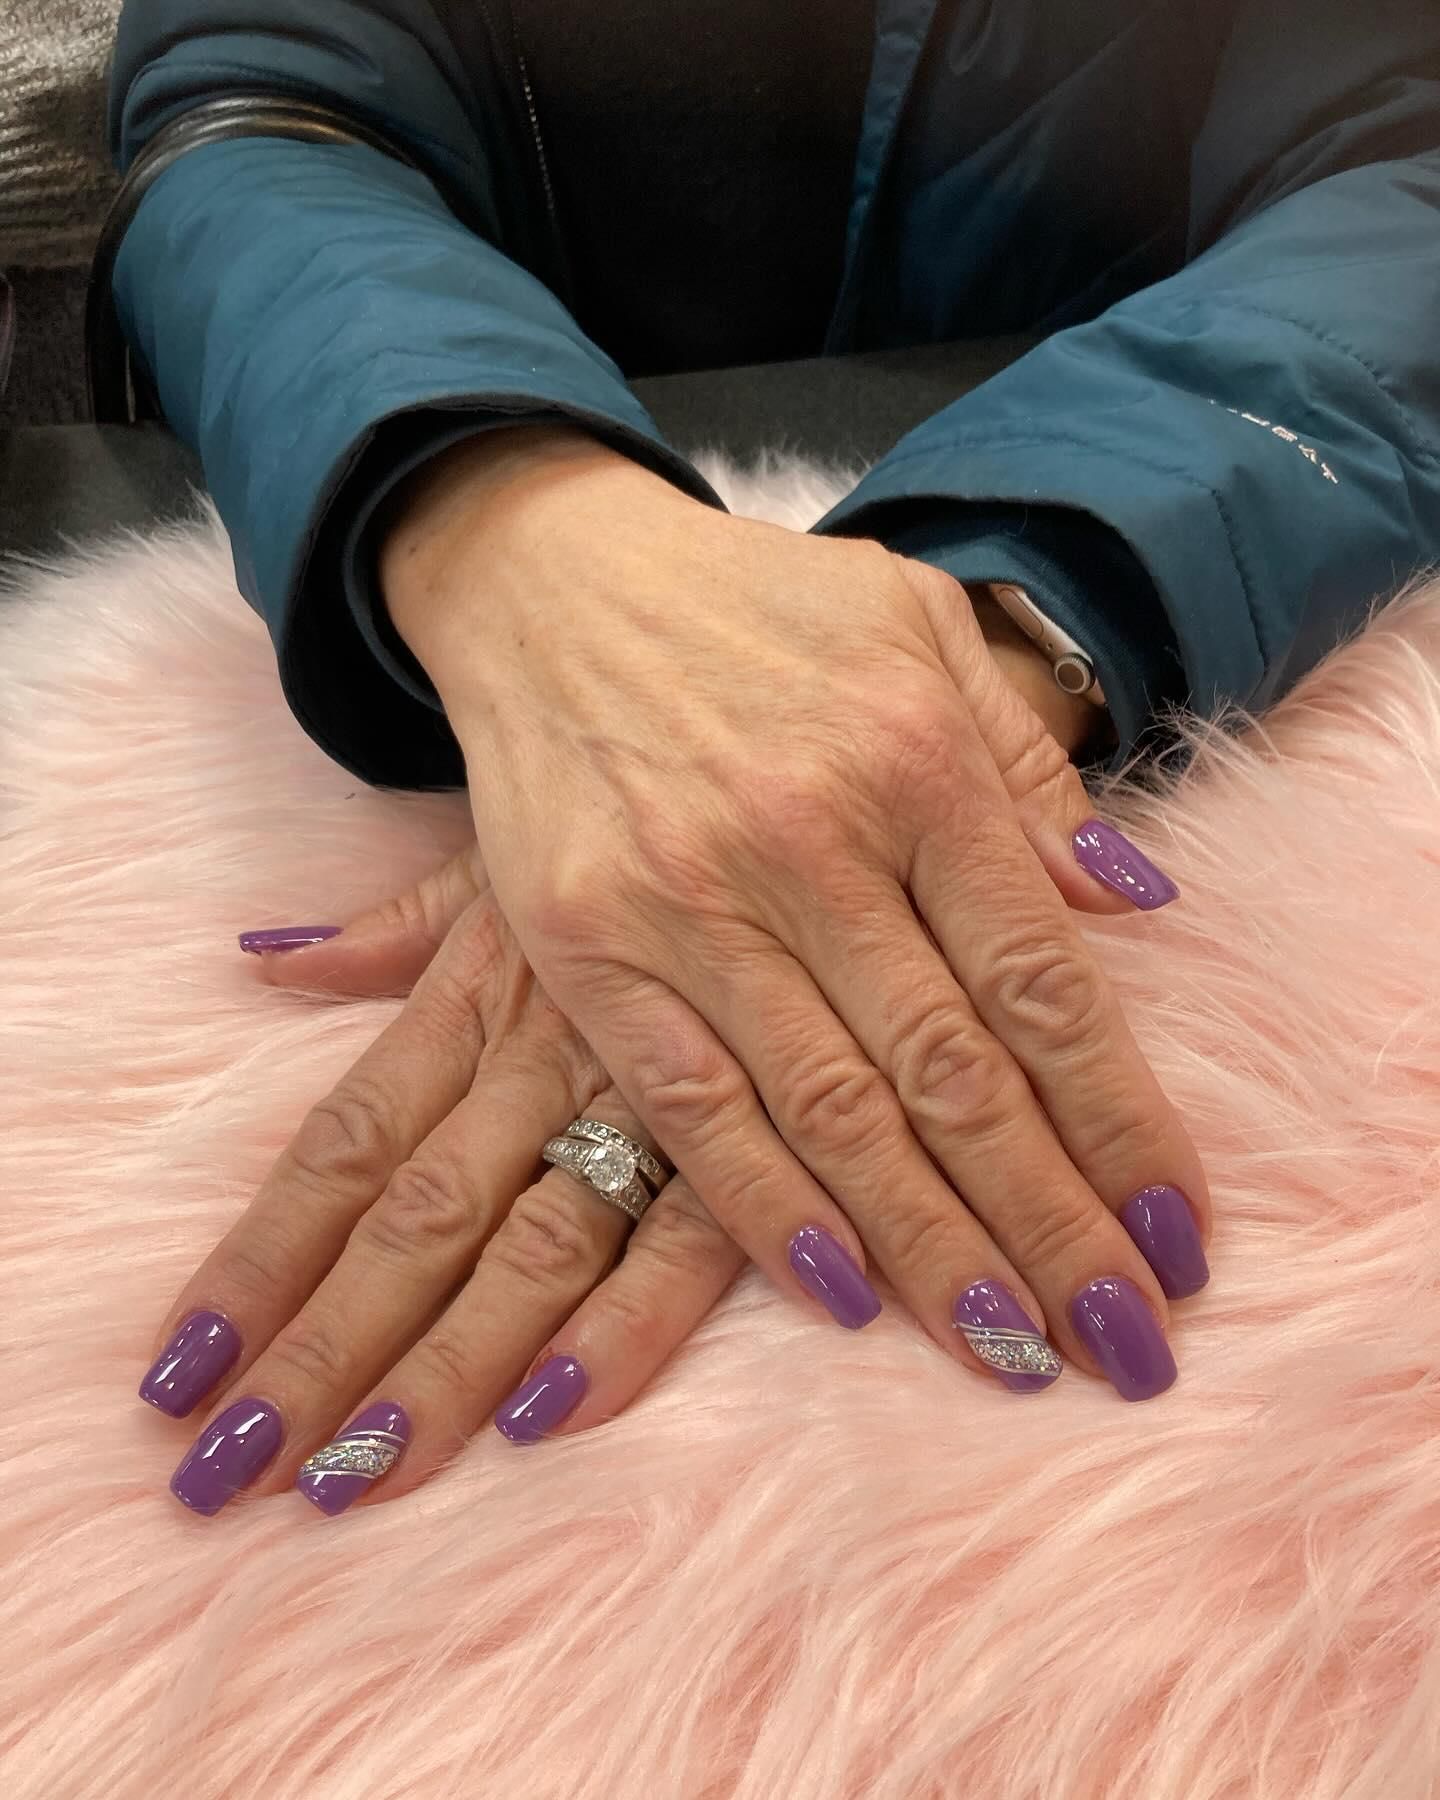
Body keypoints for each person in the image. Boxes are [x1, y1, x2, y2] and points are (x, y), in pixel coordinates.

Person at [114, 0, 1440, 1520]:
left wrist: (977, 637)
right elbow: (253, 112)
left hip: (1185, 520)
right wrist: (508, 522)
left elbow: (1410, 165)